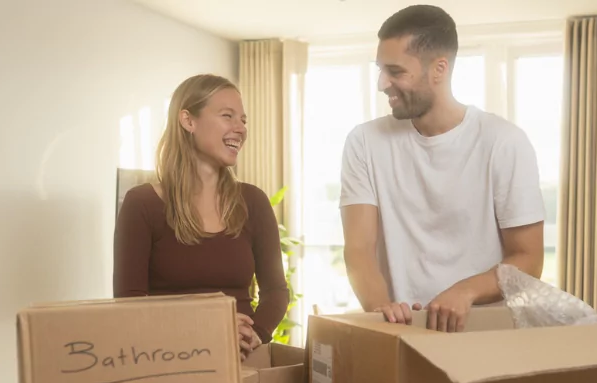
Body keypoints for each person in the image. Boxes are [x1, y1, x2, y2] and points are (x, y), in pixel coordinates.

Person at [340, 5, 546, 332]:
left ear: (439, 69)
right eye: (380, 69)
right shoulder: (364, 142)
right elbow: (359, 249)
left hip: (484, 333)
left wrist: (464, 291)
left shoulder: (504, 142)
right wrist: (383, 310)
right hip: (400, 332)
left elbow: (528, 259)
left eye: (395, 71)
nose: (382, 83)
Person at [113, 74, 289, 360]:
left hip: (241, 363)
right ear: (188, 121)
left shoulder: (253, 202)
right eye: (227, 116)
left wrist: (255, 332)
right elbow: (129, 304)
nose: (240, 128)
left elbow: (276, 291)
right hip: (170, 362)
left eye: (243, 120)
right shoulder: (142, 204)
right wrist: (209, 328)